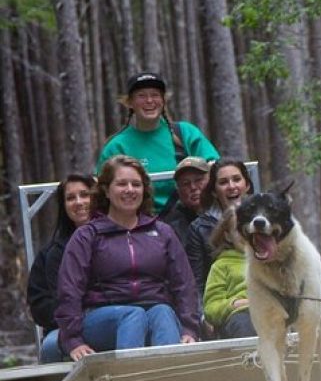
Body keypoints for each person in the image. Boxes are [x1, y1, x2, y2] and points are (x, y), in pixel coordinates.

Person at [55, 155, 199, 361]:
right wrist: (72, 339)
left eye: (136, 184)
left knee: (163, 312)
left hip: (155, 308)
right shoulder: (88, 235)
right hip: (101, 315)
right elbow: (69, 289)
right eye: (121, 184)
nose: (130, 190)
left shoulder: (163, 232)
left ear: (144, 189)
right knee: (134, 316)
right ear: (106, 189)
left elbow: (184, 284)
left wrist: (189, 329)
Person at [96, 72, 219, 213]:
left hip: (191, 219)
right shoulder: (117, 146)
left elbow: (215, 165)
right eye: (141, 96)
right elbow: (101, 188)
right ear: (130, 103)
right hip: (138, 223)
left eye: (155, 95)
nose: (149, 101)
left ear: (163, 101)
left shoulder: (184, 133)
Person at [26, 173, 96, 363]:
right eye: (70, 198)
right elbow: (40, 306)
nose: (79, 202)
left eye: (85, 194)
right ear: (63, 206)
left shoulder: (117, 240)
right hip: (63, 328)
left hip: (110, 318)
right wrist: (76, 316)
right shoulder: (51, 253)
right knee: (50, 347)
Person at [186, 158, 254, 306]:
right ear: (214, 192)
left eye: (237, 179)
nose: (231, 186)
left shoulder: (264, 219)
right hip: (225, 304)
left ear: (247, 185)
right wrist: (203, 316)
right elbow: (196, 282)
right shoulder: (199, 229)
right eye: (223, 182)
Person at [203, 208, 256, 339]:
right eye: (238, 230)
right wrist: (234, 304)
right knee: (244, 322)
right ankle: (250, 358)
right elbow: (211, 308)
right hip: (240, 316)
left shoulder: (271, 262)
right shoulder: (221, 266)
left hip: (270, 314)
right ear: (227, 235)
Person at [160, 156, 210, 246]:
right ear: (178, 191)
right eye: (185, 183)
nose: (193, 187)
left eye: (199, 180)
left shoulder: (226, 211)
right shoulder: (171, 227)